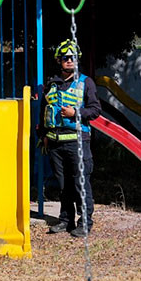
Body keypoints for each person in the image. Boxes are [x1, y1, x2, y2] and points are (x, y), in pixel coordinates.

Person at [39, 39, 101, 237]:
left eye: (73, 58)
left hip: (78, 141)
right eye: (65, 58)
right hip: (56, 143)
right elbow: (43, 111)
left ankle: (85, 222)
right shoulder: (52, 84)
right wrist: (43, 136)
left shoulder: (86, 82)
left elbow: (95, 110)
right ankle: (66, 220)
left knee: (80, 183)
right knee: (63, 185)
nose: (69, 61)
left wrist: (76, 112)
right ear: (59, 60)